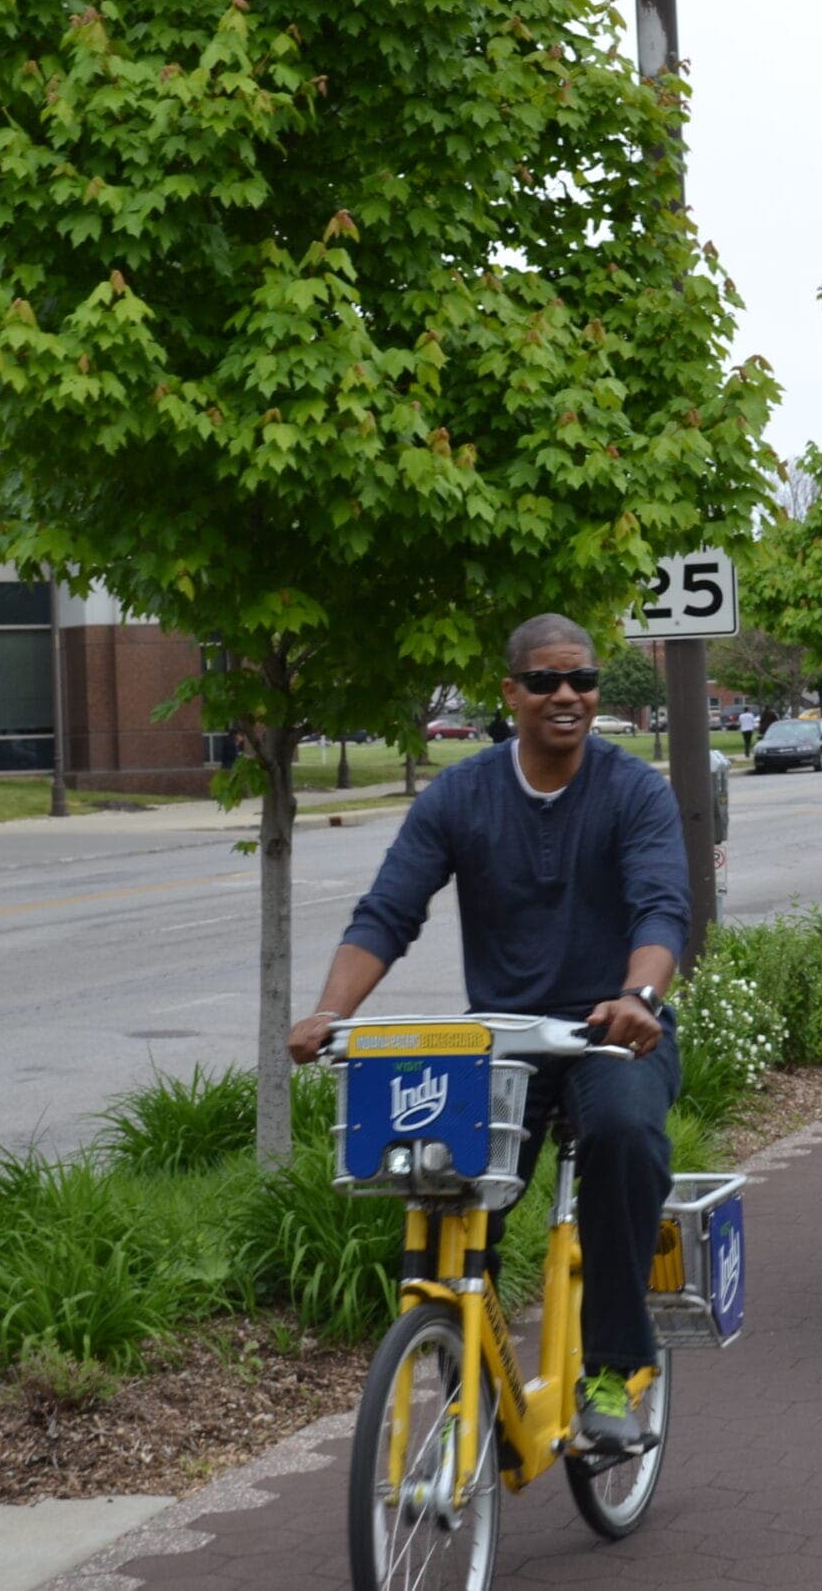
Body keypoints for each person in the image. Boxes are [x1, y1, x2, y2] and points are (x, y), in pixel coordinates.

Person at [288, 614, 687, 1456]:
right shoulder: (461, 795)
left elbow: (661, 908)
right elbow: (388, 911)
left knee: (619, 1131)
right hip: (501, 1039)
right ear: (509, 693)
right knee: (438, 1186)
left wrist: (639, 994)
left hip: (613, 1030)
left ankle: (614, 1367)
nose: (566, 696)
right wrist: (330, 1013)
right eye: (544, 681)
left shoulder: (633, 790)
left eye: (582, 679)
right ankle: (469, 1374)